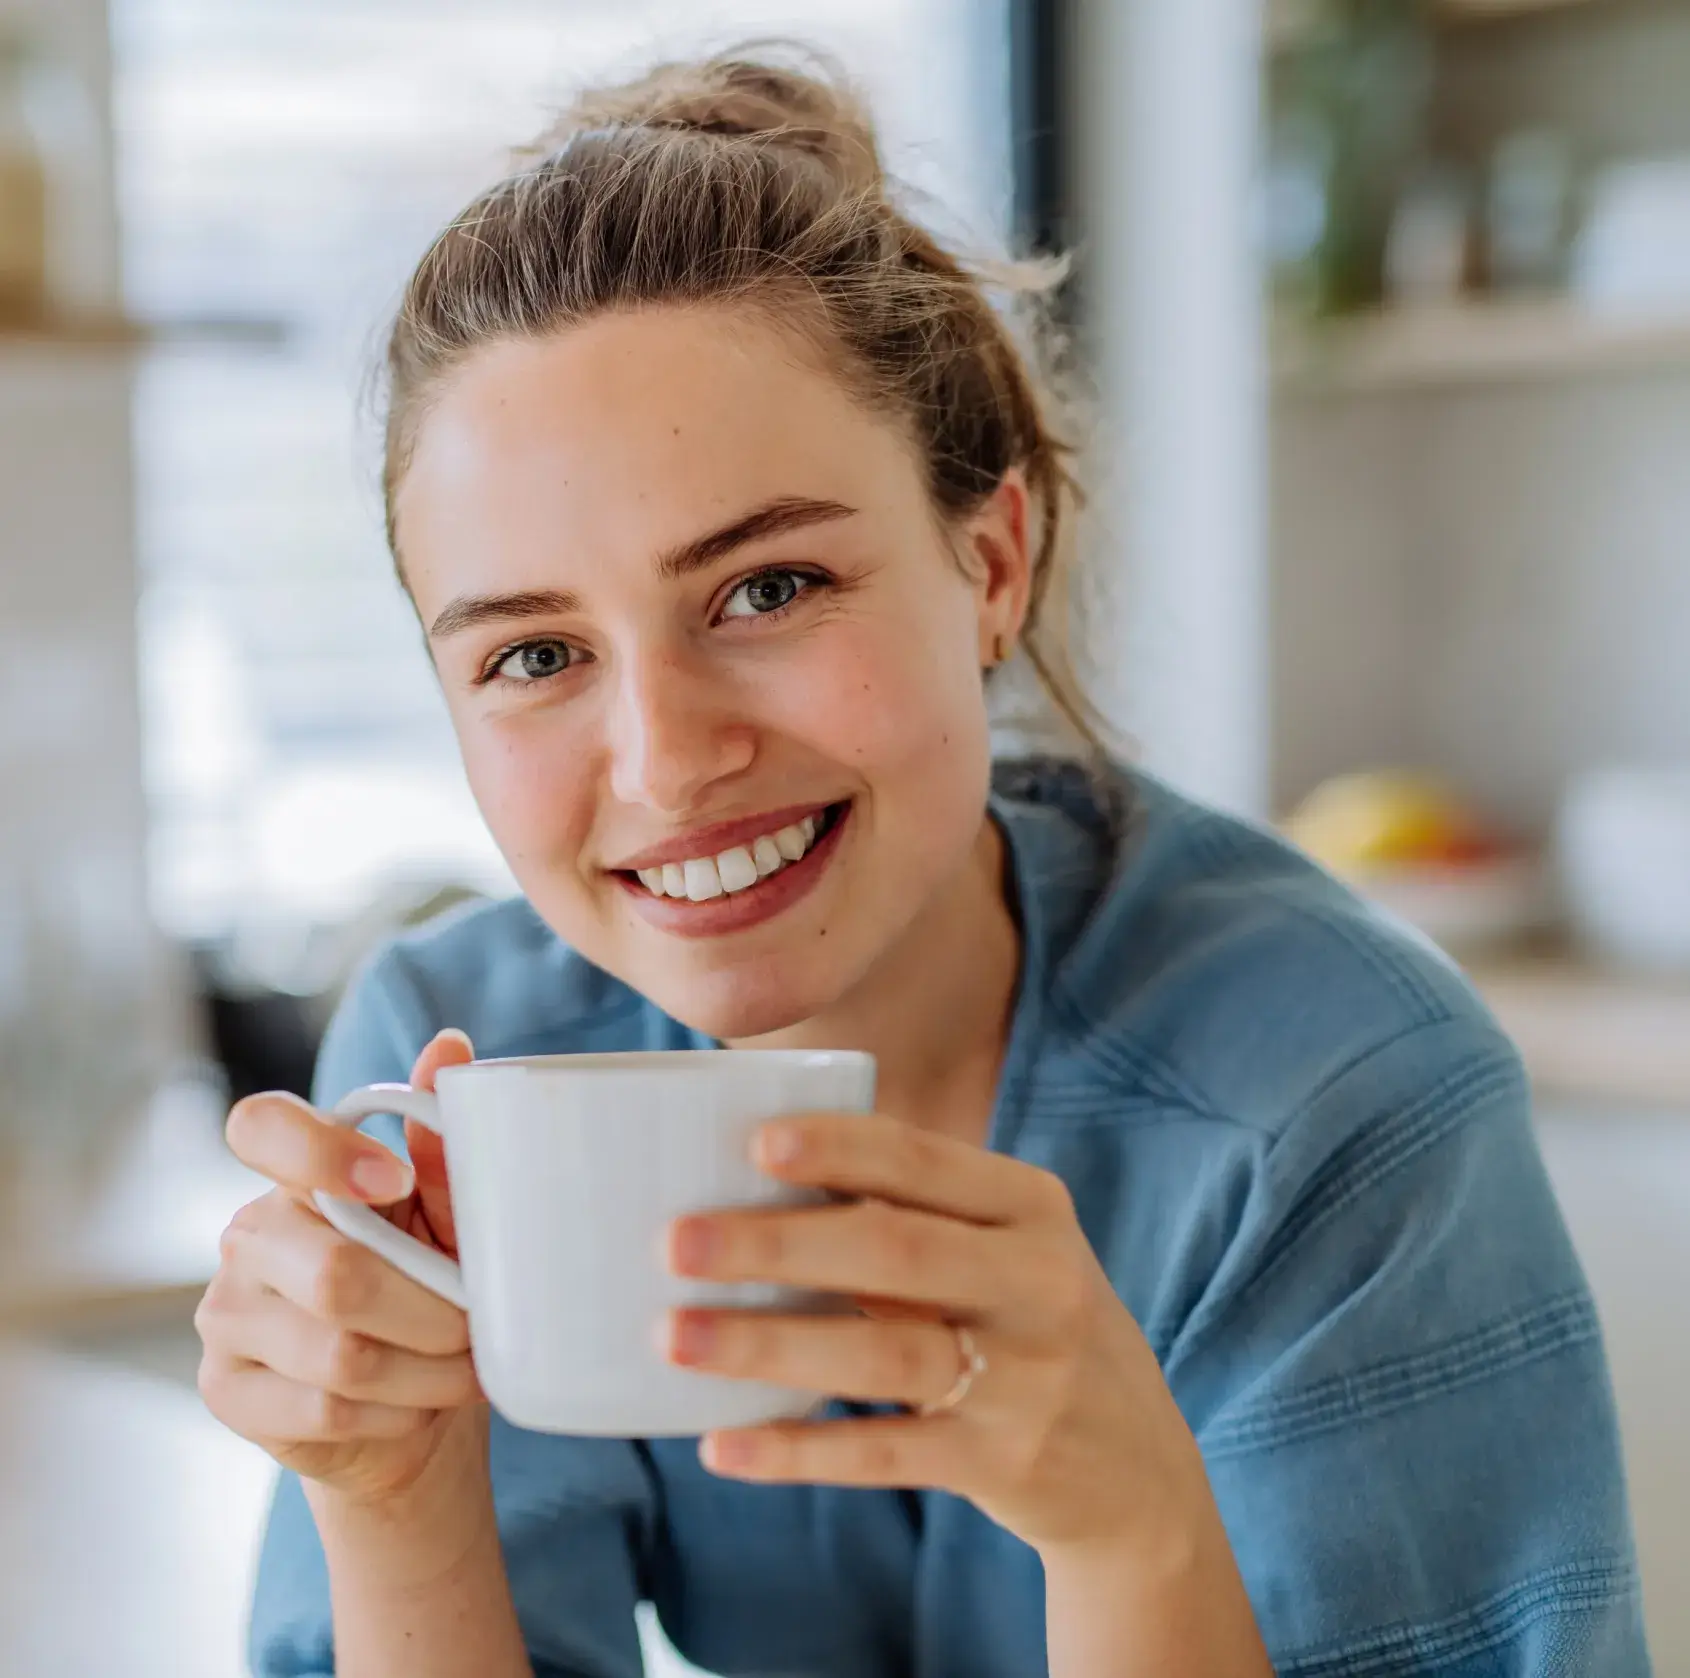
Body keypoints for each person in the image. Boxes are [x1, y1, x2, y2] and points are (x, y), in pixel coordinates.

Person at [196, 48, 1652, 1678]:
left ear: (989, 565)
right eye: (534, 656)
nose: (666, 759)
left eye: (767, 588)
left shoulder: (1327, 1100)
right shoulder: (460, 1069)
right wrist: (392, 1501)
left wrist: (1128, 1533)